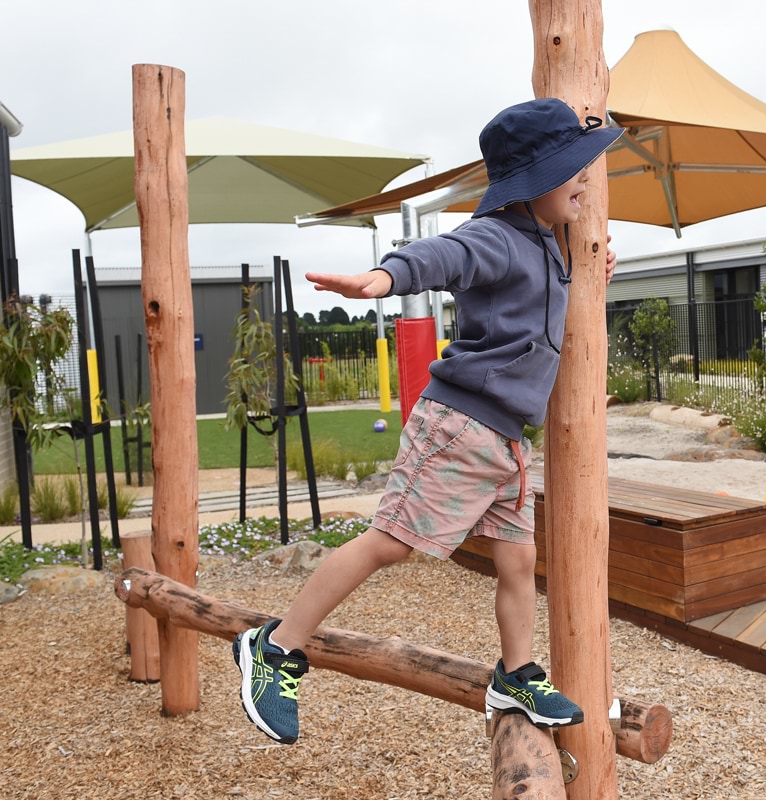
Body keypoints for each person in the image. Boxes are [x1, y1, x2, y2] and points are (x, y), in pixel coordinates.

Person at [233, 98, 624, 744]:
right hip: (459, 428)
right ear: (531, 183)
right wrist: (383, 280)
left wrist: (594, 267)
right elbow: (441, 256)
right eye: (572, 172)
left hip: (505, 444)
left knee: (520, 562)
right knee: (390, 541)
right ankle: (276, 646)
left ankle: (517, 672)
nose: (585, 181)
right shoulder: (498, 237)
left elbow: (552, 296)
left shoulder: (553, 245)